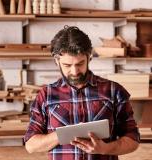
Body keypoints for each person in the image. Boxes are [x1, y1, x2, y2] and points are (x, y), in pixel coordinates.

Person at [24, 26, 140, 160]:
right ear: (57, 61)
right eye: (67, 65)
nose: (74, 71)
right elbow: (31, 145)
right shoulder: (46, 95)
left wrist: (105, 149)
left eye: (80, 64)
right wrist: (63, 134)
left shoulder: (114, 91)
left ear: (89, 57)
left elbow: (133, 139)